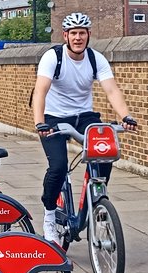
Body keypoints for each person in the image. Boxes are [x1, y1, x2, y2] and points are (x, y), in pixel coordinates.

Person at [31, 12, 138, 242]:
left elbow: (111, 90)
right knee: (58, 167)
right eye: (73, 33)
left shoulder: (95, 59)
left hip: (85, 116)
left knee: (105, 154)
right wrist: (39, 122)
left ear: (88, 35)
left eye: (82, 33)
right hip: (54, 117)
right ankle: (50, 213)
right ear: (65, 36)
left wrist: (126, 116)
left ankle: (97, 202)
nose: (78, 38)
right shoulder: (53, 57)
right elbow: (41, 91)